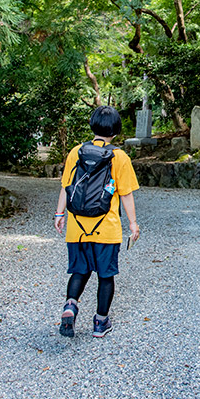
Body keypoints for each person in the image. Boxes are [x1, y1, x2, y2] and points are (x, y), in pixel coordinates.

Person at [54, 106, 140, 338]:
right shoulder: (119, 157)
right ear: (116, 130)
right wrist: (133, 224)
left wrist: (59, 214)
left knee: (80, 272)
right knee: (105, 276)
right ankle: (100, 323)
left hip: (77, 228)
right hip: (106, 228)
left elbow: (66, 186)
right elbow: (126, 194)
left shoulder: (76, 152)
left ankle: (71, 305)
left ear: (92, 125)